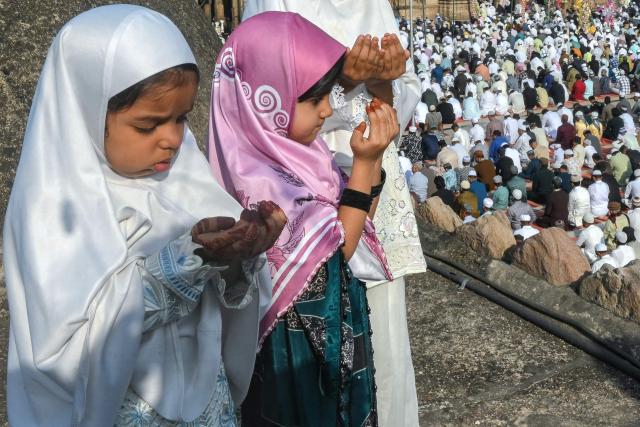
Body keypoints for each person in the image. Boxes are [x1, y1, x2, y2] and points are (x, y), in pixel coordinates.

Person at [4, 5, 284, 426]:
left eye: (181, 119)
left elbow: (237, 308)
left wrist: (238, 257)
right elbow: (65, 347)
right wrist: (184, 266)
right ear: (87, 112)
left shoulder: (192, 185)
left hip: (209, 404)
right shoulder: (53, 211)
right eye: (148, 126)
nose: (172, 139)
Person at [242, 6, 428, 426]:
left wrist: (383, 80)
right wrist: (343, 81)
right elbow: (267, 98)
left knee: (379, 334)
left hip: (369, 168)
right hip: (299, 179)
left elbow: (403, 93)